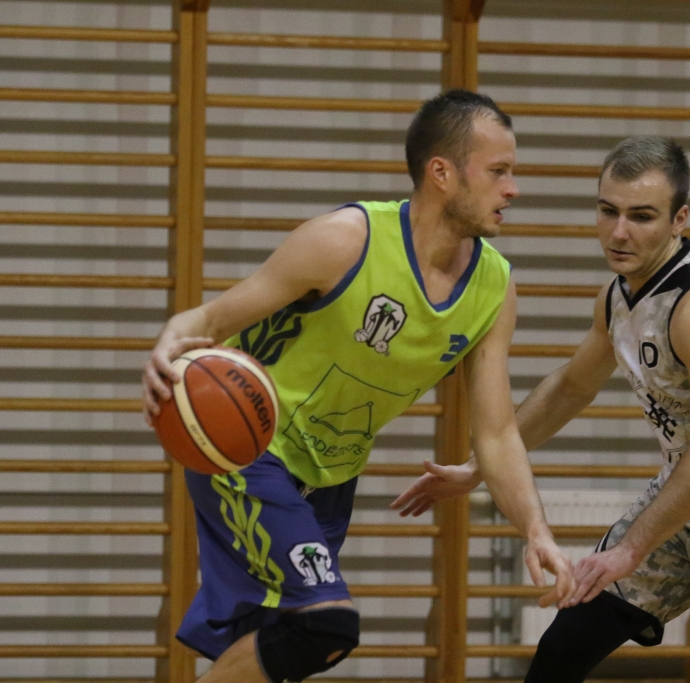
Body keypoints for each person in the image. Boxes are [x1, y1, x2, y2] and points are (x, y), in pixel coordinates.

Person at [141, 89, 575, 683]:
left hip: (331, 476)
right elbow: (212, 320)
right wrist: (172, 337)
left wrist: (535, 529)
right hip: (249, 451)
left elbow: (496, 433)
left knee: (275, 644)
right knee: (326, 622)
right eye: (499, 172)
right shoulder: (345, 241)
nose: (514, 189)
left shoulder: (494, 289)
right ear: (442, 173)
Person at [392, 136, 690, 682]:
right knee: (563, 646)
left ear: (679, 220)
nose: (619, 232)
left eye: (641, 216)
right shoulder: (620, 295)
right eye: (608, 211)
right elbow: (570, 388)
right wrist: (477, 466)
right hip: (683, 510)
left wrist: (628, 551)